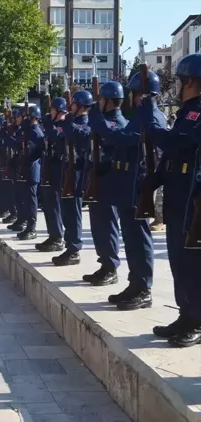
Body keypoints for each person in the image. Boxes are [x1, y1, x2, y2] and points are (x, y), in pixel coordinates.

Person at [140, 53, 201, 346]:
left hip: (194, 198)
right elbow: (172, 156)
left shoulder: (198, 113)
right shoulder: (187, 111)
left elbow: (180, 144)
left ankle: (197, 320)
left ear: (190, 81)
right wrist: (154, 181)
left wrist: (152, 127)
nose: (176, 85)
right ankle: (186, 314)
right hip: (178, 195)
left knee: (193, 261)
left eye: (179, 80)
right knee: (178, 260)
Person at [87, 74, 157, 311]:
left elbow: (124, 138)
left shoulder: (147, 116)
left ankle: (143, 287)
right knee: (131, 238)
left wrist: (96, 119)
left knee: (139, 237)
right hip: (127, 184)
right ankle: (136, 284)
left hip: (138, 184)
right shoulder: (139, 116)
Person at [82, 82, 127, 285]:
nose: (98, 103)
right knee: (98, 224)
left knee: (108, 225)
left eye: (101, 99)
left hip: (111, 180)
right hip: (98, 178)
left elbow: (105, 132)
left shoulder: (117, 122)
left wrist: (94, 114)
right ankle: (104, 264)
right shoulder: (101, 120)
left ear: (108, 101)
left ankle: (111, 267)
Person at [52, 90, 93, 266]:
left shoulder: (86, 123)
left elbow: (82, 135)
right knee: (67, 210)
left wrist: (68, 125)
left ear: (81, 106)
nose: (71, 108)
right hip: (67, 169)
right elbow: (58, 138)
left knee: (74, 210)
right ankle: (70, 246)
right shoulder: (72, 122)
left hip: (78, 171)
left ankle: (75, 248)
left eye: (74, 105)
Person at [37, 98, 67, 252]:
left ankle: (58, 237)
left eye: (53, 110)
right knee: (48, 206)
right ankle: (52, 235)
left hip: (57, 170)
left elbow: (57, 139)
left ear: (59, 111)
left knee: (55, 205)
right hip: (48, 168)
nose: (50, 113)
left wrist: (49, 125)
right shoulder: (52, 126)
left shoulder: (63, 126)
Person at [11, 105, 44, 240]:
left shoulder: (36, 132)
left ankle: (32, 227)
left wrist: (10, 139)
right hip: (26, 169)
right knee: (25, 198)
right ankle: (26, 224)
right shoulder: (28, 131)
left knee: (31, 200)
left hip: (32, 170)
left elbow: (27, 150)